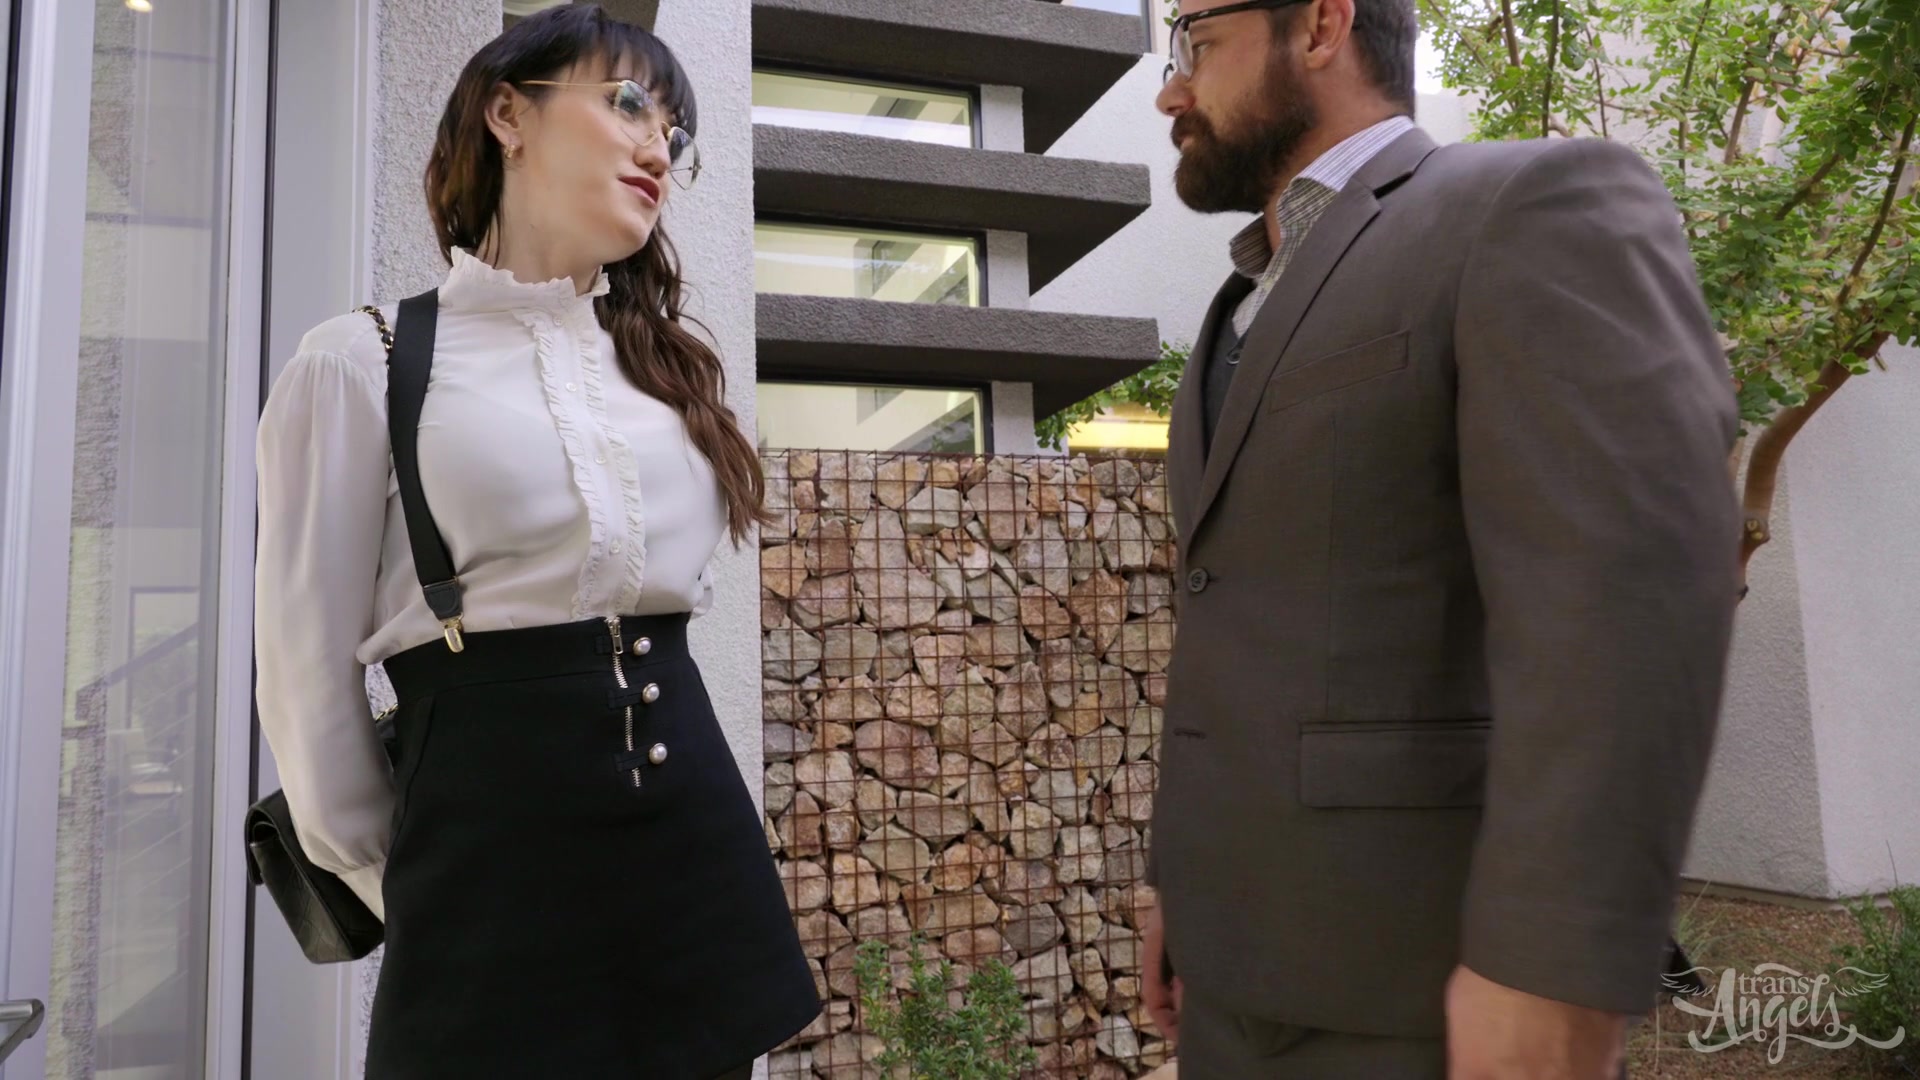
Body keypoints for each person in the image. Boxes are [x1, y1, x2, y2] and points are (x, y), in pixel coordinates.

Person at [1139, 0, 1742, 1076]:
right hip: (1231, 972)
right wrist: (1184, 890)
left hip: (1433, 997)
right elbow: (1243, 624)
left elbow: (1623, 595)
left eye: (1196, 42)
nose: (1171, 90)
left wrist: (1553, 968)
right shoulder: (1241, 298)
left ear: (1320, 26)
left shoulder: (1526, 203)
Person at [253, 7, 819, 1078]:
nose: (660, 147)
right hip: (485, 883)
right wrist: (414, 885)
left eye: (677, 135)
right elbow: (305, 682)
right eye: (631, 103)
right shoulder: (362, 361)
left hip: (696, 861)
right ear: (508, 114)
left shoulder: (664, 371)